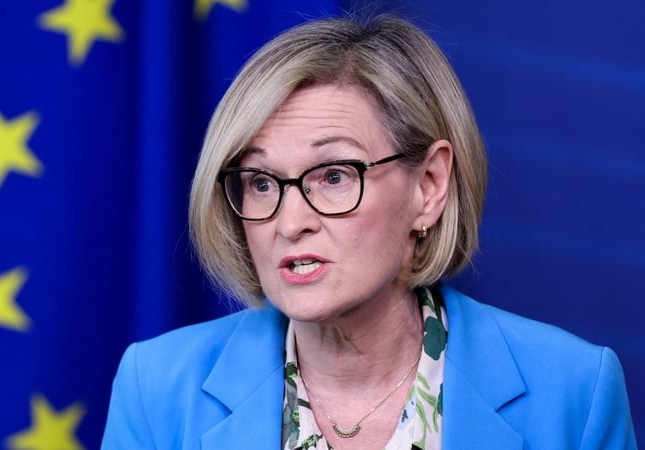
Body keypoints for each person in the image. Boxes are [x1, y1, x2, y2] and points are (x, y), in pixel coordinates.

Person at [101, 14, 637, 450]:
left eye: (334, 176)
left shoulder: (574, 391)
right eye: (261, 182)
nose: (290, 223)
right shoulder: (156, 387)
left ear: (428, 186)